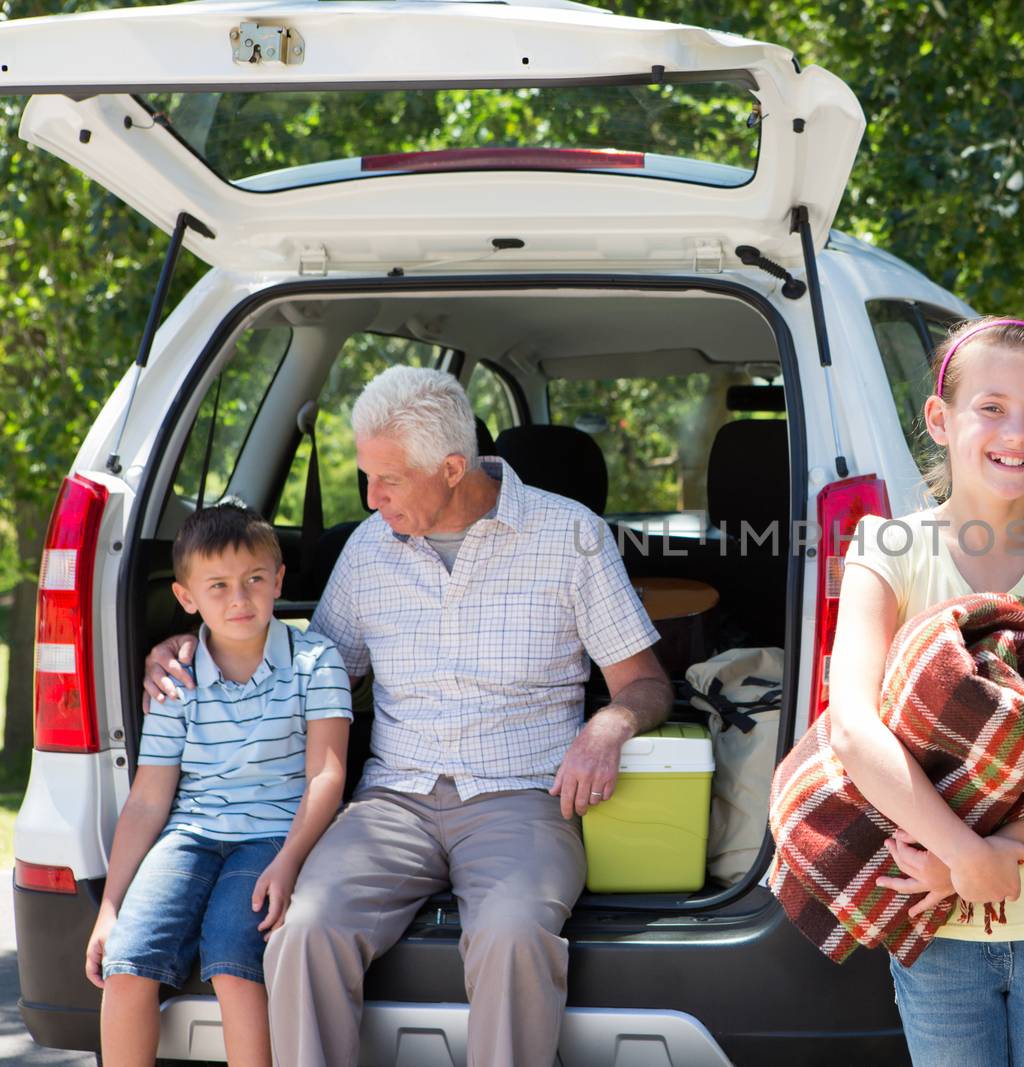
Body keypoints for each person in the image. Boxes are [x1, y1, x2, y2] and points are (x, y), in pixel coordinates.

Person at [143, 366, 672, 1067]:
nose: (371, 497)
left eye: (387, 480)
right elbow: (306, 669)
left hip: (521, 797)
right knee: (305, 927)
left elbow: (645, 683)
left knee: (514, 932)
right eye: (367, 476)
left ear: (453, 468)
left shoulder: (569, 536)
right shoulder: (368, 548)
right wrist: (193, 644)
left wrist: (609, 725)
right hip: (392, 801)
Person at [827, 317, 1024, 1067]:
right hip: (936, 920)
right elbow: (854, 729)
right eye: (990, 407)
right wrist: (961, 855)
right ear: (939, 418)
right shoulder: (885, 549)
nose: (1014, 431)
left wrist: (995, 855)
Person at [90, 504, 352, 1067]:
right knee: (127, 960)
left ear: (279, 580)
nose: (240, 599)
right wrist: (110, 906)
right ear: (187, 597)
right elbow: (149, 798)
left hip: (272, 838)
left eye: (255, 580)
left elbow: (326, 775)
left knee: (235, 957)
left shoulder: (315, 661)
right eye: (219, 586)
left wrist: (289, 860)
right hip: (190, 836)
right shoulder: (175, 678)